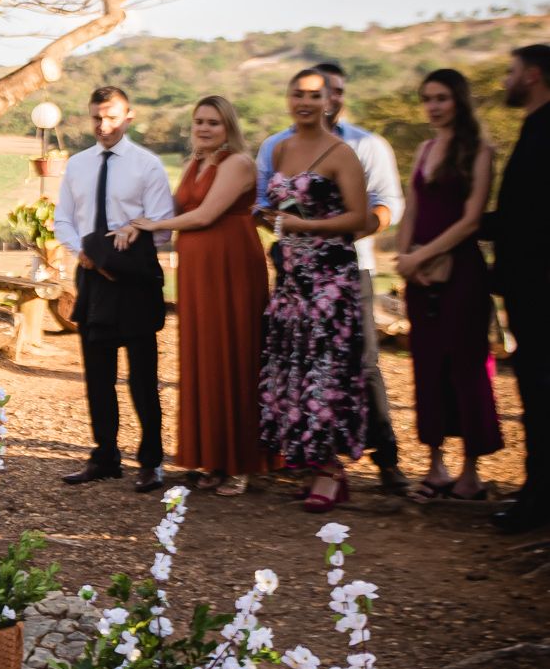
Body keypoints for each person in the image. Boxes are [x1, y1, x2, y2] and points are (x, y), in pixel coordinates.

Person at [256, 62, 406, 495]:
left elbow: (361, 216)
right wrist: (274, 222)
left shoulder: (346, 152)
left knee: (334, 367)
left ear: (330, 101)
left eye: (314, 95)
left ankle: (337, 471)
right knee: (295, 364)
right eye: (298, 94)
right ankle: (310, 460)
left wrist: (304, 228)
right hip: (292, 275)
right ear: (288, 98)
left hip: (333, 276)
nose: (305, 102)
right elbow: (268, 204)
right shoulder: (279, 149)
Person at [121, 94, 266, 493]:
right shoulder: (192, 164)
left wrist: (149, 224)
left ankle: (238, 462)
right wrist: (133, 223)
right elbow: (171, 214)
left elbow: (204, 216)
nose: (204, 128)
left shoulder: (238, 163)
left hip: (231, 265)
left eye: (214, 123)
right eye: (199, 121)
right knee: (205, 357)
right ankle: (211, 458)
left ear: (228, 128)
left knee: (233, 355)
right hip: (197, 271)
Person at [54, 85, 175, 493]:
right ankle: (105, 456)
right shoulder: (77, 164)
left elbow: (161, 228)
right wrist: (86, 254)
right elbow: (63, 220)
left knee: (143, 378)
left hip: (134, 280)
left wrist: (124, 243)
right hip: (90, 277)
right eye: (96, 118)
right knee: (98, 376)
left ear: (129, 116)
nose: (103, 126)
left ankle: (151, 462)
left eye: (111, 117)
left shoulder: (148, 166)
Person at [394, 69, 501, 502]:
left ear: (458, 100)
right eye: (427, 99)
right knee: (428, 366)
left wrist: (422, 256)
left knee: (467, 368)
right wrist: (404, 261)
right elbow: (411, 210)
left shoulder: (479, 150)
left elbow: (472, 219)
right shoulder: (424, 149)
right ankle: (435, 465)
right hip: (420, 277)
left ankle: (471, 471)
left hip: (462, 273)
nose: (433, 106)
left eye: (441, 98)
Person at [489, 42, 550, 537]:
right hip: (526, 286)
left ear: (532, 75)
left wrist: (469, 229)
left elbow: (527, 216)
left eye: (511, 72)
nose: (505, 81)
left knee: (540, 394)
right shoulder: (535, 127)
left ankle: (536, 501)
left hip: (540, 289)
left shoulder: (545, 129)